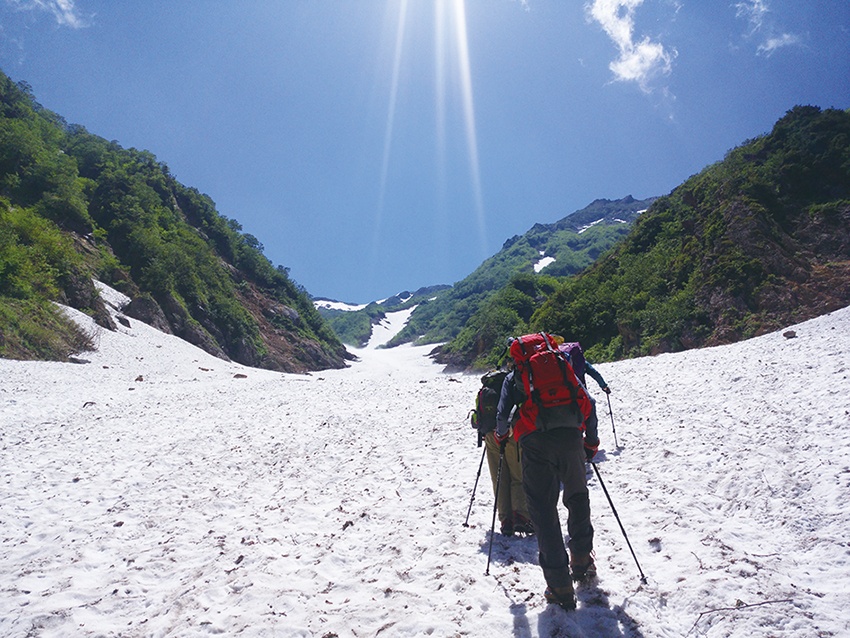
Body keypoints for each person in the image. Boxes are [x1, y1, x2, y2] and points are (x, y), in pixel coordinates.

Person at [495, 354, 598, 610]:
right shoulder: (562, 368)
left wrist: (501, 436)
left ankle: (559, 586)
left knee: (543, 510)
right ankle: (582, 560)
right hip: (571, 439)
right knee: (577, 497)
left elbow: (502, 415)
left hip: (535, 444)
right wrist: (590, 442)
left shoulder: (514, 376)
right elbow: (590, 402)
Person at [473, 368, 534, 536]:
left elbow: (476, 418)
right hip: (511, 433)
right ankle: (521, 516)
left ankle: (506, 520)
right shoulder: (511, 384)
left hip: (489, 436)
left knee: (499, 478)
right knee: (517, 476)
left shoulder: (485, 390)